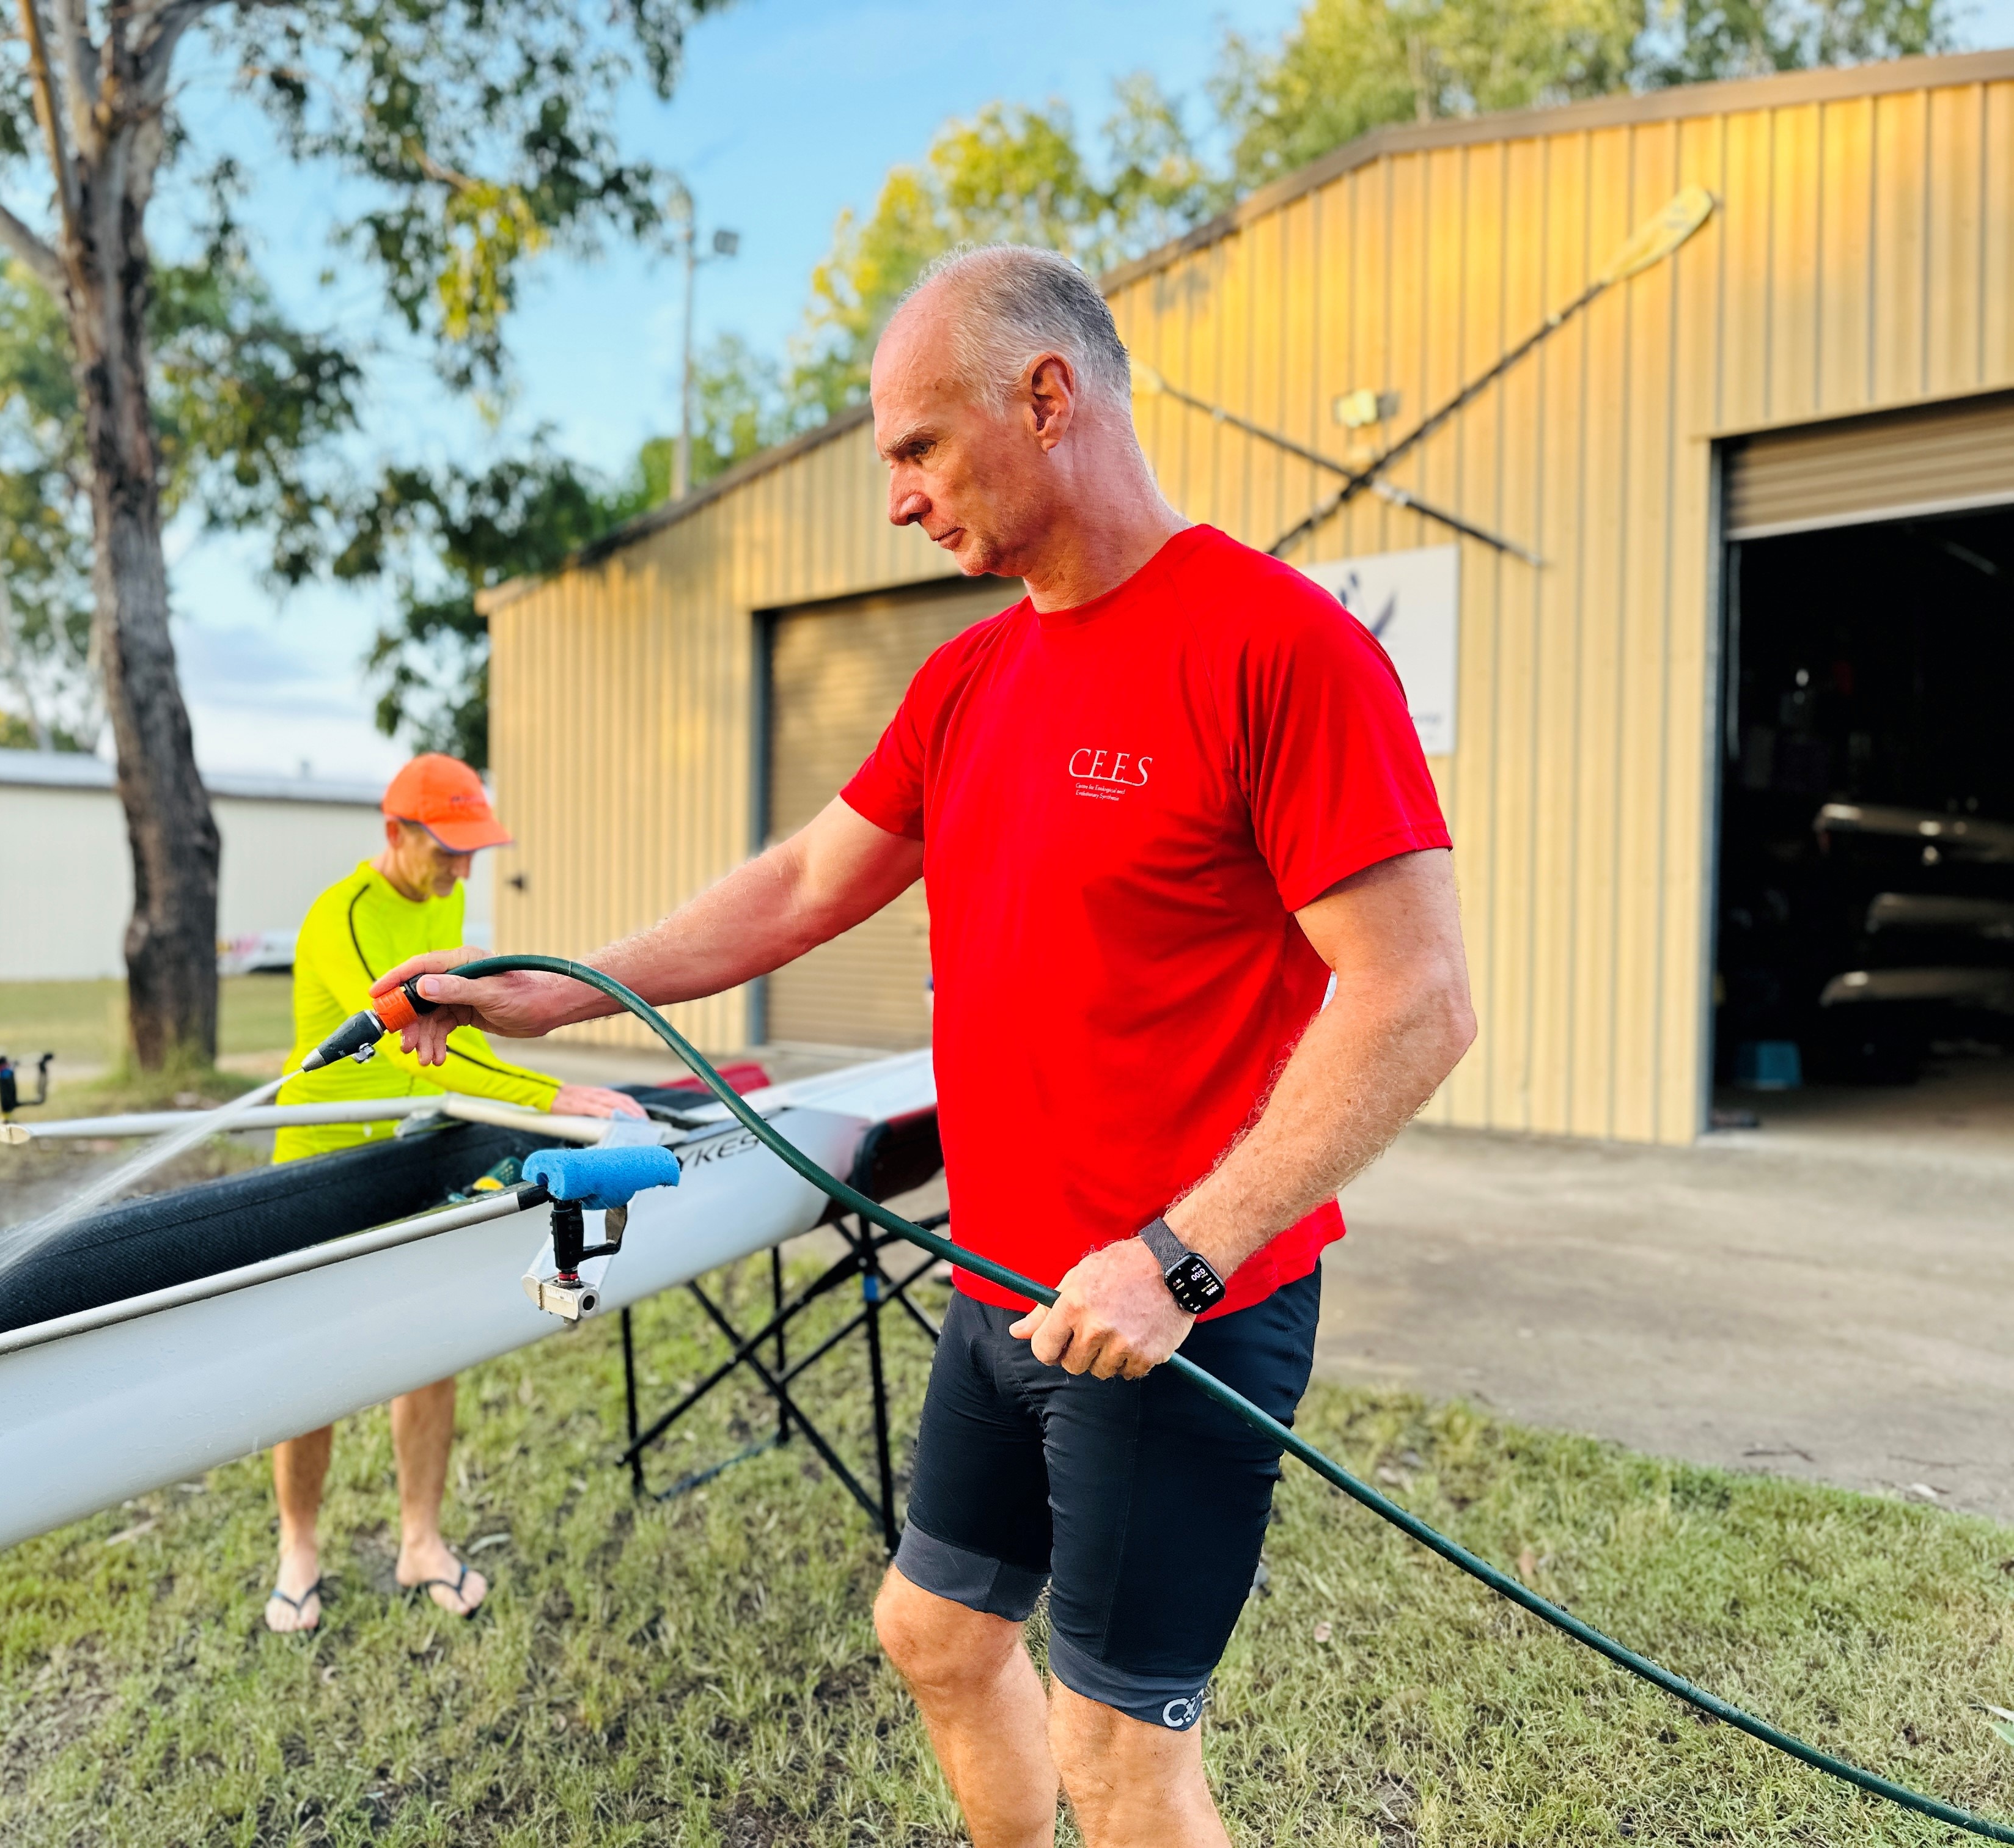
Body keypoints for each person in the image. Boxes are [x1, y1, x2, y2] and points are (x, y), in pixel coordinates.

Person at [378, 246, 1475, 1846]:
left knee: (1124, 1757)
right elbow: (808, 882)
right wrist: (558, 986)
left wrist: (1179, 1262)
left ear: (1049, 398)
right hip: (1000, 1286)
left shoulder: (1278, 646)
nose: (896, 498)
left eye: (915, 447)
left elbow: (1417, 998)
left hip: (1168, 1315)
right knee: (940, 1637)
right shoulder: (970, 680)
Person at [261, 752, 642, 1632]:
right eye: (448, 851)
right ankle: (299, 1549)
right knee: (311, 1369)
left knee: (427, 1348)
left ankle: (420, 1541)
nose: (464, 871)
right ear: (395, 835)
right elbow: (405, 1037)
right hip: (320, 1159)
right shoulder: (344, 915)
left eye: (475, 852)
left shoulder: (445, 899)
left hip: (412, 1152)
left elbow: (458, 1029)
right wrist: (551, 1097)